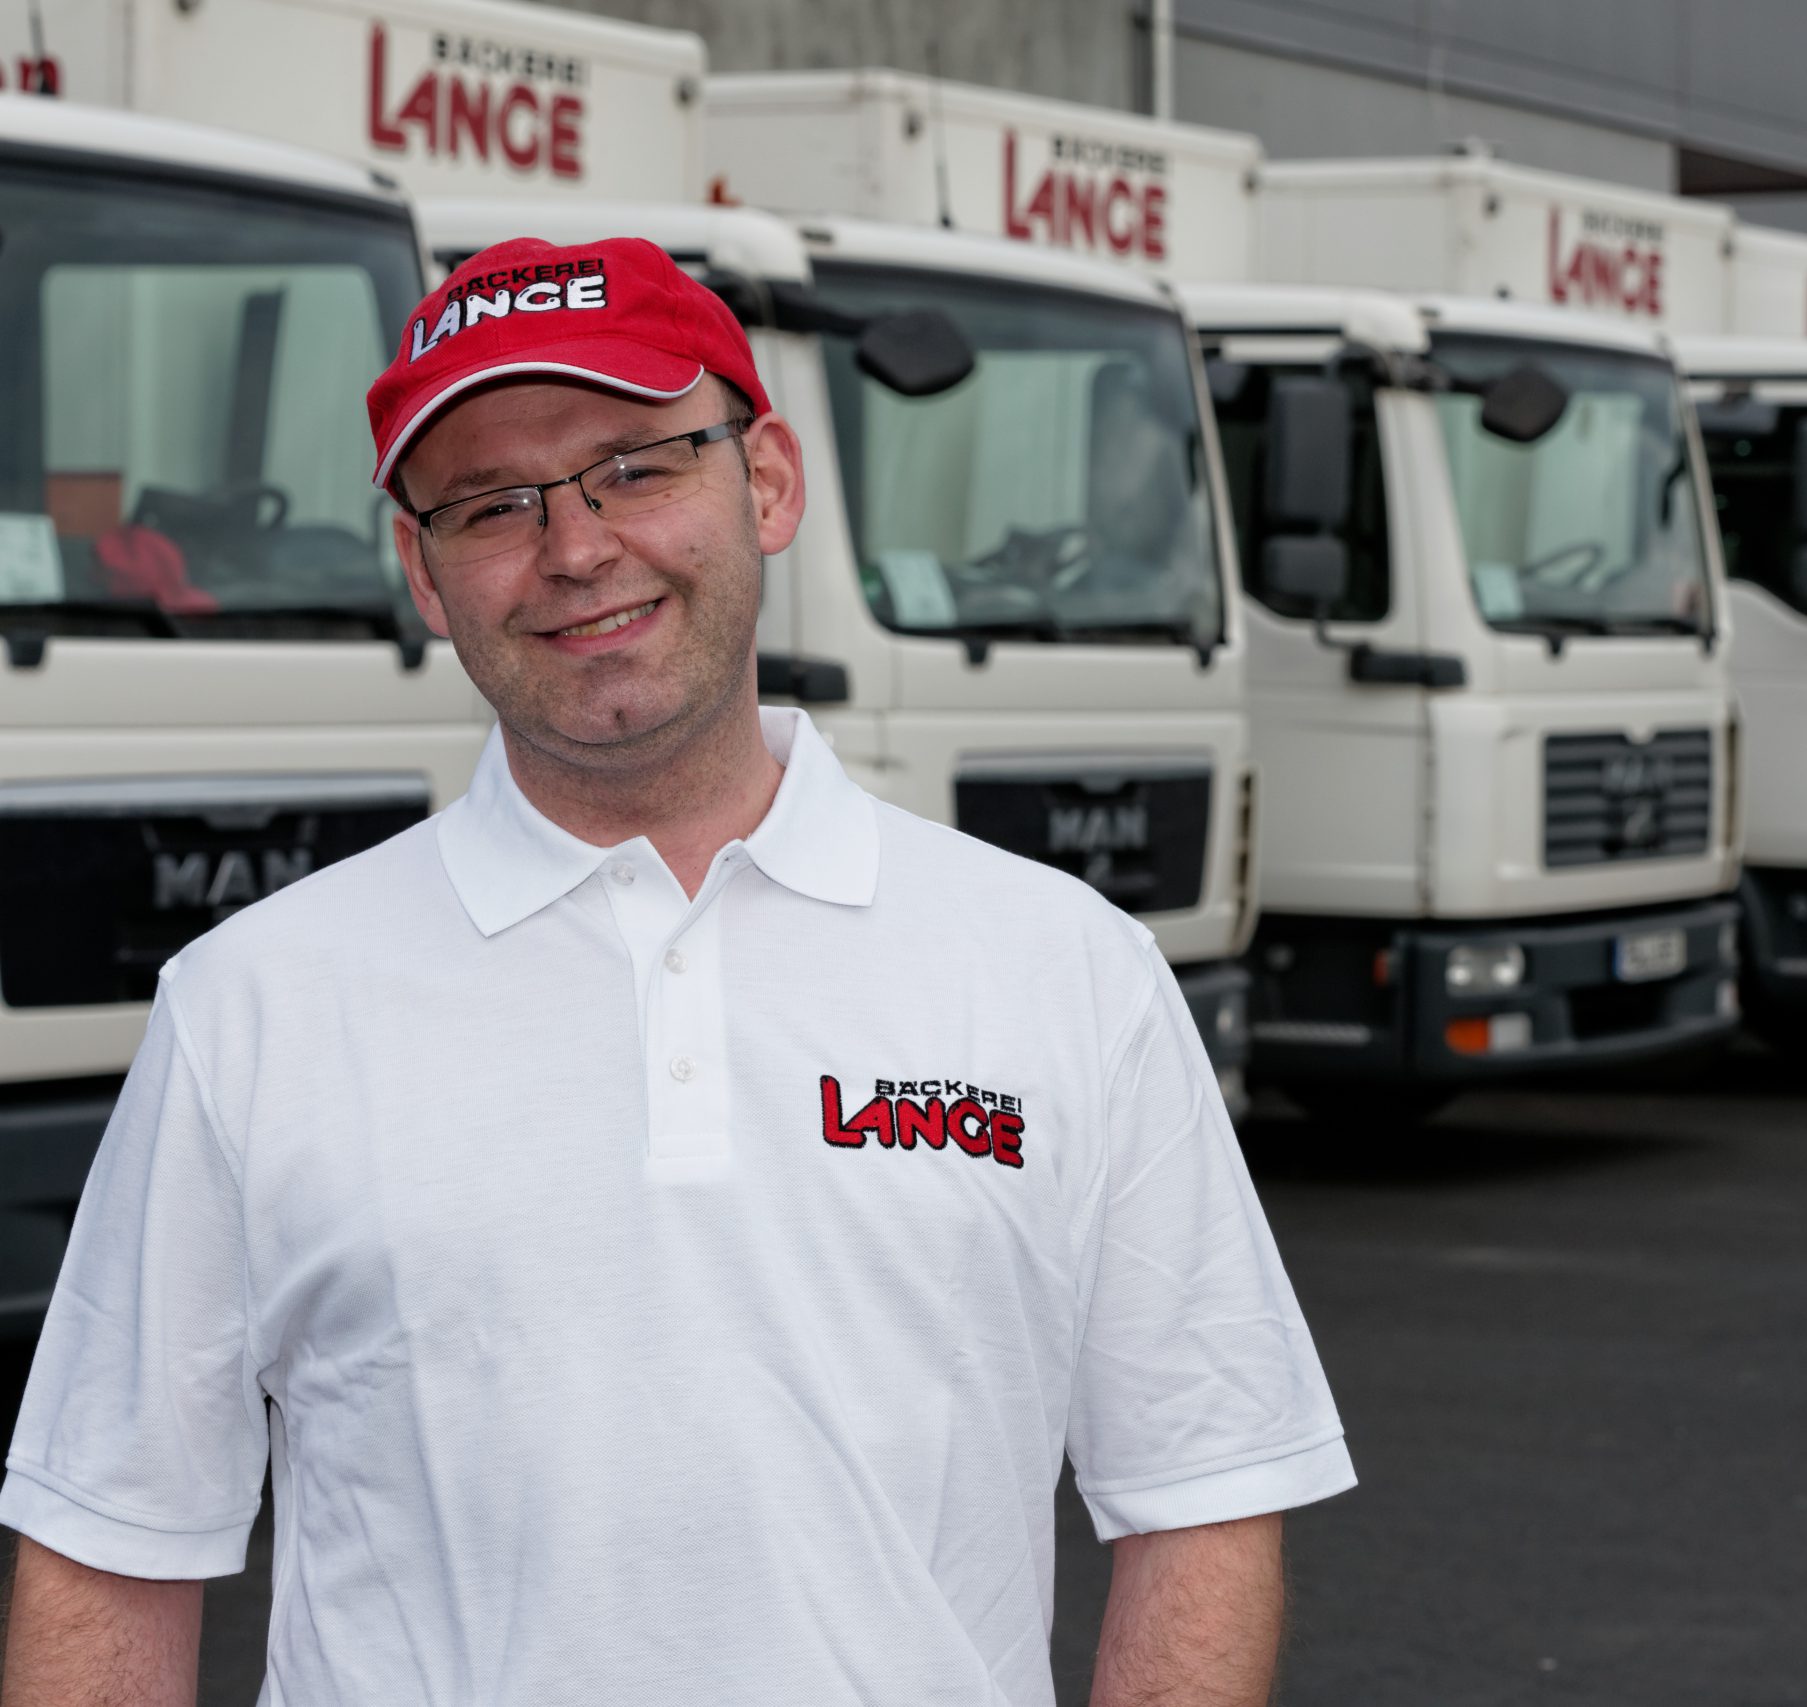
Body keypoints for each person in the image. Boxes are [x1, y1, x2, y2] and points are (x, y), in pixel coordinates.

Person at [0, 237, 1353, 1706]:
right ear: (425, 574)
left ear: (765, 481)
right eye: (492, 505)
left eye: (637, 466)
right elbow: (109, 1545)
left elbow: (1205, 1492)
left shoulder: (1064, 970)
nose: (575, 548)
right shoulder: (250, 1006)